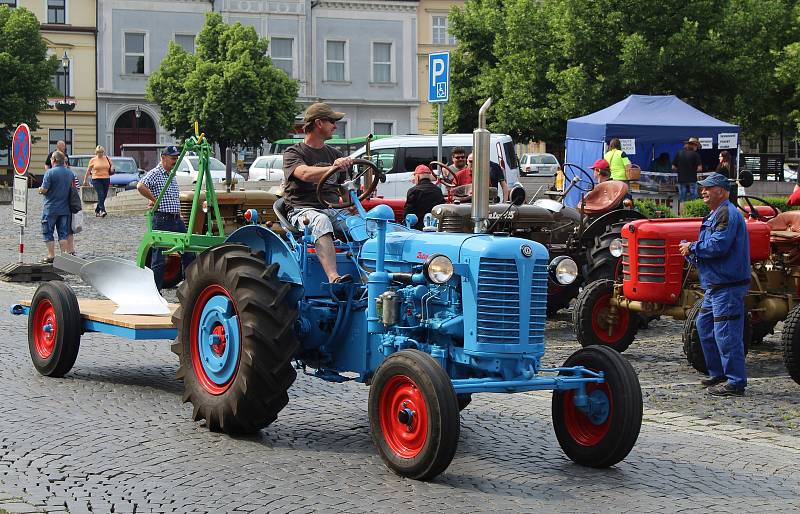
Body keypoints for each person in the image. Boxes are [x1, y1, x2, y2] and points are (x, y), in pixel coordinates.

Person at [678, 172, 750, 397]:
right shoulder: (716, 214)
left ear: (722, 190)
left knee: (726, 334)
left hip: (727, 285)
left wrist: (692, 247)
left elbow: (719, 245)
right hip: (716, 285)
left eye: (708, 187)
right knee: (705, 327)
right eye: (702, 188)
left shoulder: (726, 213)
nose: (703, 191)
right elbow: (712, 246)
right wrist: (692, 250)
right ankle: (719, 373)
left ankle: (736, 382)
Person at [283, 102, 354, 284]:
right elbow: (304, 173)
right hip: (302, 210)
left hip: (332, 209)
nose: (335, 126)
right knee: (320, 221)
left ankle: (368, 274)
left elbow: (343, 187)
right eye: (332, 121)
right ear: (319, 123)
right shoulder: (293, 152)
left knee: (361, 226)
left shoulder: (334, 153)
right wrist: (334, 167)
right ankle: (334, 277)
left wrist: (350, 206)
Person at [137, 146, 193, 290]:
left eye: (177, 158)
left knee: (189, 251)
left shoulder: (171, 174)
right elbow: (140, 185)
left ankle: (189, 288)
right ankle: (156, 291)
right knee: (159, 257)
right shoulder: (156, 173)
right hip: (162, 218)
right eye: (173, 158)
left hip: (175, 219)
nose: (176, 161)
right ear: (163, 158)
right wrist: (153, 199)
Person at [38, 151, 74, 263]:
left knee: (48, 232)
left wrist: (40, 190)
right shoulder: (70, 173)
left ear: (53, 160)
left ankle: (51, 255)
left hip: (50, 208)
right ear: (63, 161)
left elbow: (45, 189)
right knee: (63, 233)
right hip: (65, 209)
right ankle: (63, 256)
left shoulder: (49, 173)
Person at [403, 165, 445, 230]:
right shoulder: (438, 190)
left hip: (418, 229)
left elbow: (407, 212)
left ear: (417, 177)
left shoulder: (413, 191)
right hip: (435, 228)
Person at [83, 145, 114, 218]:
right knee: (100, 194)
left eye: (102, 152)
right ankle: (103, 210)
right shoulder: (93, 160)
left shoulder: (107, 158)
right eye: (99, 152)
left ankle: (97, 210)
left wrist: (112, 168)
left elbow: (112, 165)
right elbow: (88, 171)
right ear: (96, 152)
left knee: (104, 195)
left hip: (106, 178)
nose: (100, 153)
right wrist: (85, 180)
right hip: (96, 179)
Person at [672, 137, 703, 204]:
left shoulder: (679, 153)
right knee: (694, 199)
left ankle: (682, 214)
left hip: (681, 180)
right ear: (693, 146)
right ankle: (693, 213)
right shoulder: (696, 155)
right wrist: (693, 170)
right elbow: (700, 168)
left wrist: (681, 170)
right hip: (692, 180)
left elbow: (673, 167)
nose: (696, 148)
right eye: (696, 146)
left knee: (682, 199)